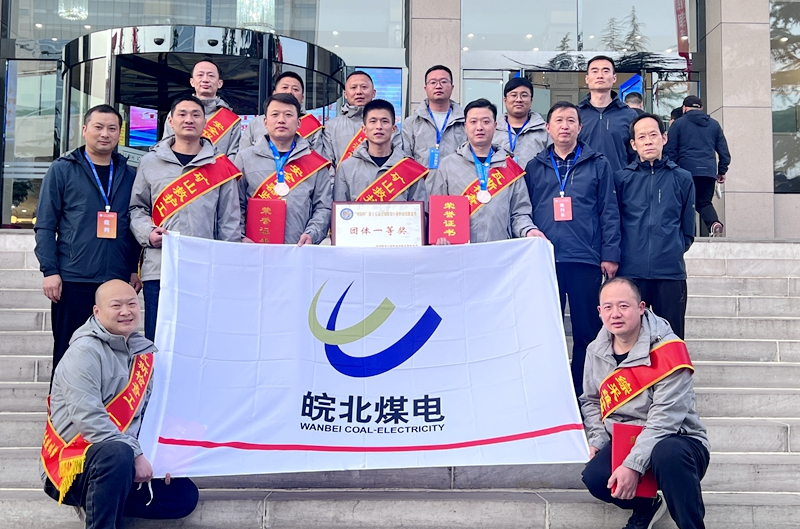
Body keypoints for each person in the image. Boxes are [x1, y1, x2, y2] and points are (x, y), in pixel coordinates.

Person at [42, 279, 198, 528]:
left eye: (132, 304)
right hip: (77, 461)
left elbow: (149, 414)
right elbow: (89, 419)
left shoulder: (142, 351)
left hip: (122, 464)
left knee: (183, 495)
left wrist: (163, 458)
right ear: (97, 311)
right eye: (116, 305)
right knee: (117, 454)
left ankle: (103, 499)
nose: (126, 311)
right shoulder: (84, 352)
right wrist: (135, 454)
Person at [580, 277, 710, 529]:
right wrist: (598, 439)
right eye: (608, 307)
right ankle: (646, 506)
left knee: (668, 454)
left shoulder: (668, 349)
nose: (615, 314)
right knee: (594, 477)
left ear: (641, 307)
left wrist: (632, 466)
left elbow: (665, 419)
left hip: (677, 439)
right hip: (624, 440)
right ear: (599, 311)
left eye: (623, 306)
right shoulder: (595, 350)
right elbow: (591, 400)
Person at [34, 104, 141, 377]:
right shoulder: (62, 169)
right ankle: (61, 405)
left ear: (119, 133)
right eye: (98, 127)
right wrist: (50, 271)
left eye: (112, 128)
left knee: (114, 356)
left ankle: (108, 405)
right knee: (68, 352)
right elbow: (45, 225)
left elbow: (133, 226)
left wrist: (133, 269)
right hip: (73, 278)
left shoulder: (129, 174)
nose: (105, 134)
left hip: (116, 279)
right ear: (84, 130)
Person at [524, 101, 621, 398]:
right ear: (548, 127)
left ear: (580, 127)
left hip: (584, 258)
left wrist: (610, 254)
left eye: (570, 121)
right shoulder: (535, 166)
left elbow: (609, 210)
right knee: (546, 330)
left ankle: (584, 393)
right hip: (546, 260)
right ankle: (550, 394)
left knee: (586, 331)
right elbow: (525, 209)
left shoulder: (598, 164)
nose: (564, 126)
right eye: (558, 120)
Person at [130, 95, 242, 340]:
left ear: (205, 122)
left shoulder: (220, 166)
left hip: (204, 269)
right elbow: (137, 208)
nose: (188, 119)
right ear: (170, 121)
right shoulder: (150, 162)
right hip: (159, 268)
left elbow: (229, 223)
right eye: (182, 114)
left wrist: (227, 266)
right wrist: (148, 233)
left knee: (201, 340)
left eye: (195, 114)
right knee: (158, 340)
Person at [615, 113, 695, 339]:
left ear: (664, 138)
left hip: (669, 272)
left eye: (653, 135)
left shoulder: (682, 178)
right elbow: (615, 223)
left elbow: (688, 228)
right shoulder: (621, 179)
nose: (648, 141)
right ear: (633, 144)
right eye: (642, 137)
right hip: (631, 272)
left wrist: (673, 249)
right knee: (629, 340)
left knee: (670, 340)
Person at [427, 98, 545, 243]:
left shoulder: (509, 167)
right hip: (460, 251)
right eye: (473, 122)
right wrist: (439, 238)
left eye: (486, 121)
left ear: (495, 126)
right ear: (465, 126)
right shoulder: (447, 165)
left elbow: (519, 213)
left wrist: (528, 230)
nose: (479, 127)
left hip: (499, 250)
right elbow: (438, 213)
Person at [236, 93, 332, 245]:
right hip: (254, 248)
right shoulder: (244, 158)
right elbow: (235, 205)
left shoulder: (315, 163)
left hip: (298, 249)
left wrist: (312, 234)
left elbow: (323, 207)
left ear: (299, 123)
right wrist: (240, 236)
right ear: (265, 122)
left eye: (288, 115)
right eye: (275, 114)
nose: (281, 120)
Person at [334, 99, 428, 203]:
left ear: (393, 129)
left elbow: (420, 210)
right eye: (373, 121)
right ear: (364, 129)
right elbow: (339, 209)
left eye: (384, 121)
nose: (379, 126)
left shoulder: (410, 168)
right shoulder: (346, 168)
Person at [664, 96, 731, 237]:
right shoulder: (714, 125)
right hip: (708, 172)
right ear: (701, 108)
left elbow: (670, 150)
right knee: (704, 203)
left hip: (684, 171)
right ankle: (714, 223)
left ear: (684, 108)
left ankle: (688, 235)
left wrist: (671, 169)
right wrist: (722, 170)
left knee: (683, 203)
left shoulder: (678, 124)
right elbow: (724, 152)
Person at [162, 59, 241, 158]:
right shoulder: (176, 114)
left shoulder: (231, 120)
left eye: (211, 76)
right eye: (200, 75)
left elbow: (234, 157)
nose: (205, 80)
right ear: (192, 82)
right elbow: (165, 148)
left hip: (217, 168)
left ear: (220, 83)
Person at [323, 71, 399, 167]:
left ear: (373, 93)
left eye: (364, 87)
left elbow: (398, 159)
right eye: (353, 87)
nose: (359, 92)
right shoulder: (331, 126)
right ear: (345, 94)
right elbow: (327, 164)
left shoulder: (387, 125)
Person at [239, 71, 325, 155]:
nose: (290, 92)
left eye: (295, 89)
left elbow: (319, 160)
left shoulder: (313, 126)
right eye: (285, 87)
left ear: (302, 98)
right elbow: (243, 155)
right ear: (274, 93)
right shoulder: (256, 123)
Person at [578, 56, 638, 172]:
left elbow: (636, 155)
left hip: (619, 180)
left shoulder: (629, 115)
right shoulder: (576, 114)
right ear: (587, 78)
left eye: (605, 71)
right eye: (594, 71)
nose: (600, 75)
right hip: (582, 180)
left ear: (614, 78)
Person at [402, 65, 467, 170]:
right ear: (426, 88)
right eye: (433, 82)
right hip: (423, 179)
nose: (438, 86)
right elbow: (405, 157)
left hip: (456, 179)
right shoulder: (411, 123)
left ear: (452, 87)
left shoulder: (465, 121)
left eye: (443, 82)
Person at [493, 77, 548, 168]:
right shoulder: (493, 130)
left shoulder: (545, 131)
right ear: (505, 100)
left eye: (524, 95)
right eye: (514, 95)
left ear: (531, 101)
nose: (519, 99)